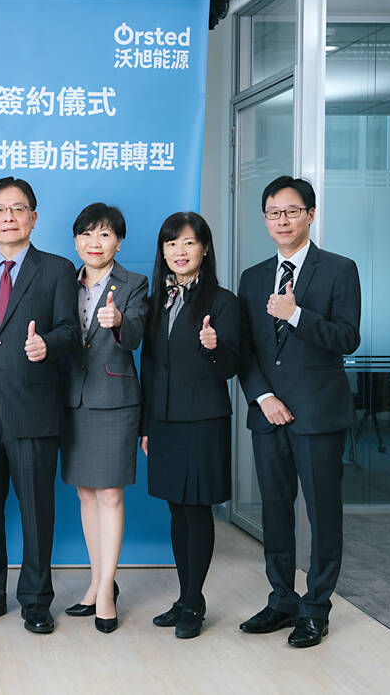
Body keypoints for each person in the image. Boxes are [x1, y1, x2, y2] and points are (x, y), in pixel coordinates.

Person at [237, 175, 361, 649]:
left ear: (310, 214)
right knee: (275, 510)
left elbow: (347, 338)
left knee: (323, 513)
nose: (282, 220)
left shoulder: (339, 269)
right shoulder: (252, 278)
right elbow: (245, 350)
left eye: (291, 211)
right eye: (274, 213)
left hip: (318, 414)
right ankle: (282, 599)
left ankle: (316, 608)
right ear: (265, 219)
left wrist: (295, 315)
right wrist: (262, 397)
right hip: (268, 414)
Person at [0, 177, 76, 635]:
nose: (9, 217)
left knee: (37, 512)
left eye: (18, 209)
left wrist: (47, 344)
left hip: (34, 410)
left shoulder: (57, 270)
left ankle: (36, 600)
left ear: (33, 217)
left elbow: (71, 331)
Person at [139, 212, 239, 640]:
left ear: (205, 248)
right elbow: (149, 366)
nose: (179, 251)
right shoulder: (156, 301)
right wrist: (146, 425)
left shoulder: (222, 301)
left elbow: (232, 366)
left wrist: (214, 348)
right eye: (171, 243)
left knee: (196, 510)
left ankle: (195, 601)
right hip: (163, 421)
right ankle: (183, 597)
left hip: (201, 421)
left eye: (188, 243)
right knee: (176, 510)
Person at [60, 203, 148, 633]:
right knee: (85, 495)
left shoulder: (134, 283)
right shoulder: (64, 281)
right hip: (72, 401)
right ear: (77, 240)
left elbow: (136, 336)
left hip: (115, 401)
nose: (95, 243)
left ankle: (107, 592)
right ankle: (97, 583)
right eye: (87, 234)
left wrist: (117, 322)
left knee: (110, 494)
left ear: (119, 241)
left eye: (105, 234)